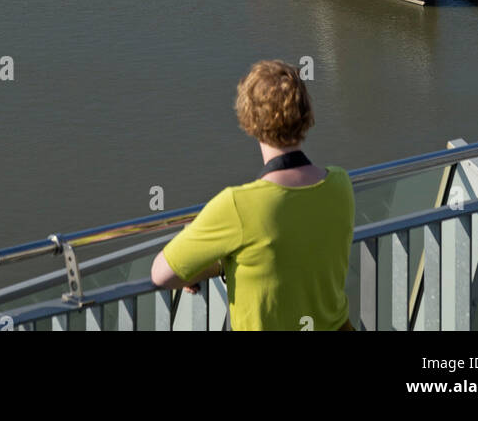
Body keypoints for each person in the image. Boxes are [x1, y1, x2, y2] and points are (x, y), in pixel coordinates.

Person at [151, 60, 355, 332]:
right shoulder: (340, 184)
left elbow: (161, 274)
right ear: (306, 113)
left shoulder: (237, 206)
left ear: (249, 120)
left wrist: (219, 264)